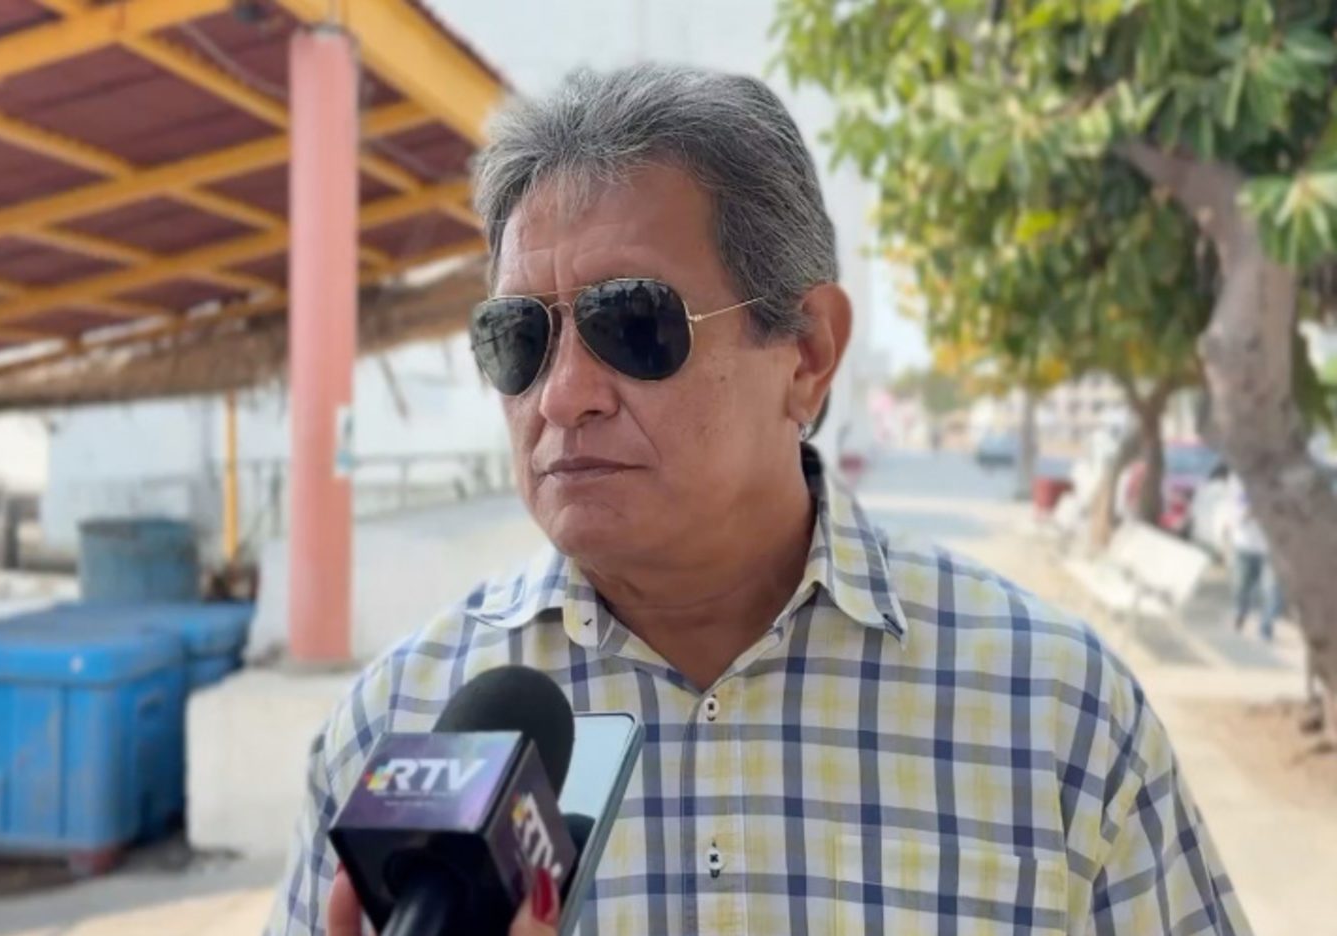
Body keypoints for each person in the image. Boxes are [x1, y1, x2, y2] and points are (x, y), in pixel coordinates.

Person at [266, 64, 1247, 935]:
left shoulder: (1056, 713)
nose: (562, 395)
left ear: (808, 352)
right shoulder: (394, 729)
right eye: (519, 336)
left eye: (631, 322)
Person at [1219, 475, 1284, 640]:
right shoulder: (1238, 479)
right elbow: (1231, 509)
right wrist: (1247, 513)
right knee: (1241, 586)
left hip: (1273, 546)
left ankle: (1265, 627)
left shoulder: (1281, 476)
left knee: (1271, 589)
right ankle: (1240, 612)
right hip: (1245, 544)